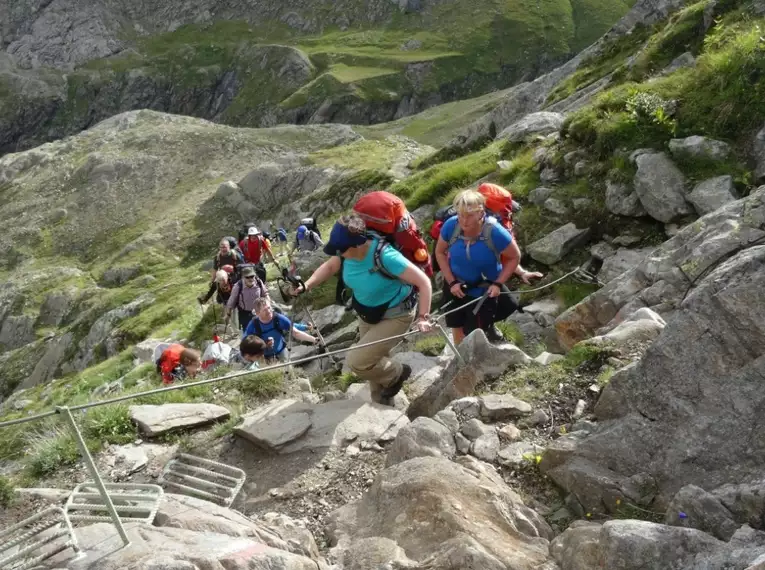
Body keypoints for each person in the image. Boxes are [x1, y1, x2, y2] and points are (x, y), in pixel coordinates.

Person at [292, 213, 433, 405]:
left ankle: (399, 372)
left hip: (396, 314)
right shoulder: (345, 252)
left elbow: (423, 282)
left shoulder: (385, 255)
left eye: (342, 250)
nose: (339, 253)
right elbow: (328, 268)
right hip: (367, 313)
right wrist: (305, 285)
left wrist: (423, 316)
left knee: (358, 362)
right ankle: (381, 405)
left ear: (357, 244)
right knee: (374, 362)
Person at [435, 189, 521, 345]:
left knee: (478, 328)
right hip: (456, 285)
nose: (463, 220)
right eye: (460, 214)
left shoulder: (495, 232)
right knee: (456, 322)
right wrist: (452, 282)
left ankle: (485, 336)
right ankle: (461, 357)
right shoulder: (450, 225)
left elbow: (514, 257)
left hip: (483, 291)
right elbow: (440, 252)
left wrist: (498, 283)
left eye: (469, 215)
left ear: (481, 212)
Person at [244, 298, 318, 362]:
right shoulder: (253, 325)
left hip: (281, 351)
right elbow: (245, 343)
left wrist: (315, 339)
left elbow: (295, 331)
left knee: (289, 373)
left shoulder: (278, 318)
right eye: (265, 310)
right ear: (257, 313)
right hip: (262, 356)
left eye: (269, 308)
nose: (269, 311)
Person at [224, 266, 269, 333]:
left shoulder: (259, 282)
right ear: (243, 277)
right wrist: (228, 315)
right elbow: (231, 301)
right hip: (245, 314)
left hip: (259, 311)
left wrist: (268, 305)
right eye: (247, 277)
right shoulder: (238, 286)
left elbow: (265, 294)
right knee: (249, 333)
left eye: (252, 276)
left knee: (263, 330)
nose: (250, 279)